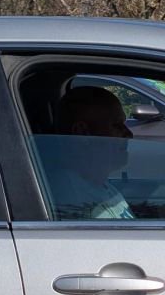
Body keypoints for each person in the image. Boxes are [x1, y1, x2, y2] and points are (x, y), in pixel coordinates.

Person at [43, 84, 135, 220]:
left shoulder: (97, 184)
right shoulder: (70, 196)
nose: (129, 134)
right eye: (116, 125)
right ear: (83, 133)